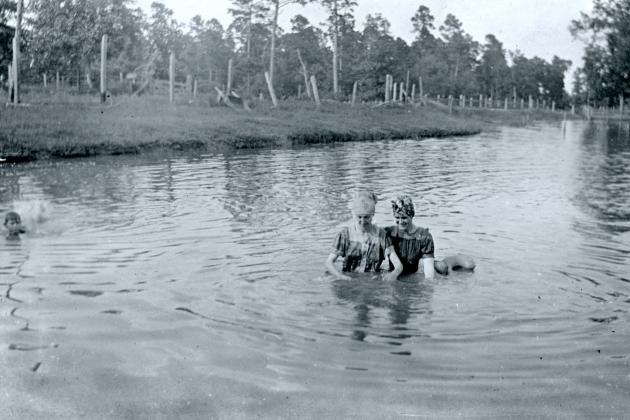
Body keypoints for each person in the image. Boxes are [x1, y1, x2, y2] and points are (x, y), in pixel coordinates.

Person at [385, 195, 475, 279]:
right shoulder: (389, 233)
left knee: (468, 265)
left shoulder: (424, 236)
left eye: (404, 217)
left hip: (421, 266)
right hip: (407, 269)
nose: (400, 222)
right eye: (397, 217)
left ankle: (451, 260)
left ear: (411, 216)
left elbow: (429, 273)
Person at [326, 190, 403, 281]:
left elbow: (398, 265)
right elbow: (329, 262)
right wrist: (339, 276)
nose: (362, 221)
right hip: (349, 279)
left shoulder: (381, 235)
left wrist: (393, 274)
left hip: (371, 280)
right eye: (359, 217)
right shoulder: (345, 235)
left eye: (366, 217)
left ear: (373, 214)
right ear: (354, 215)